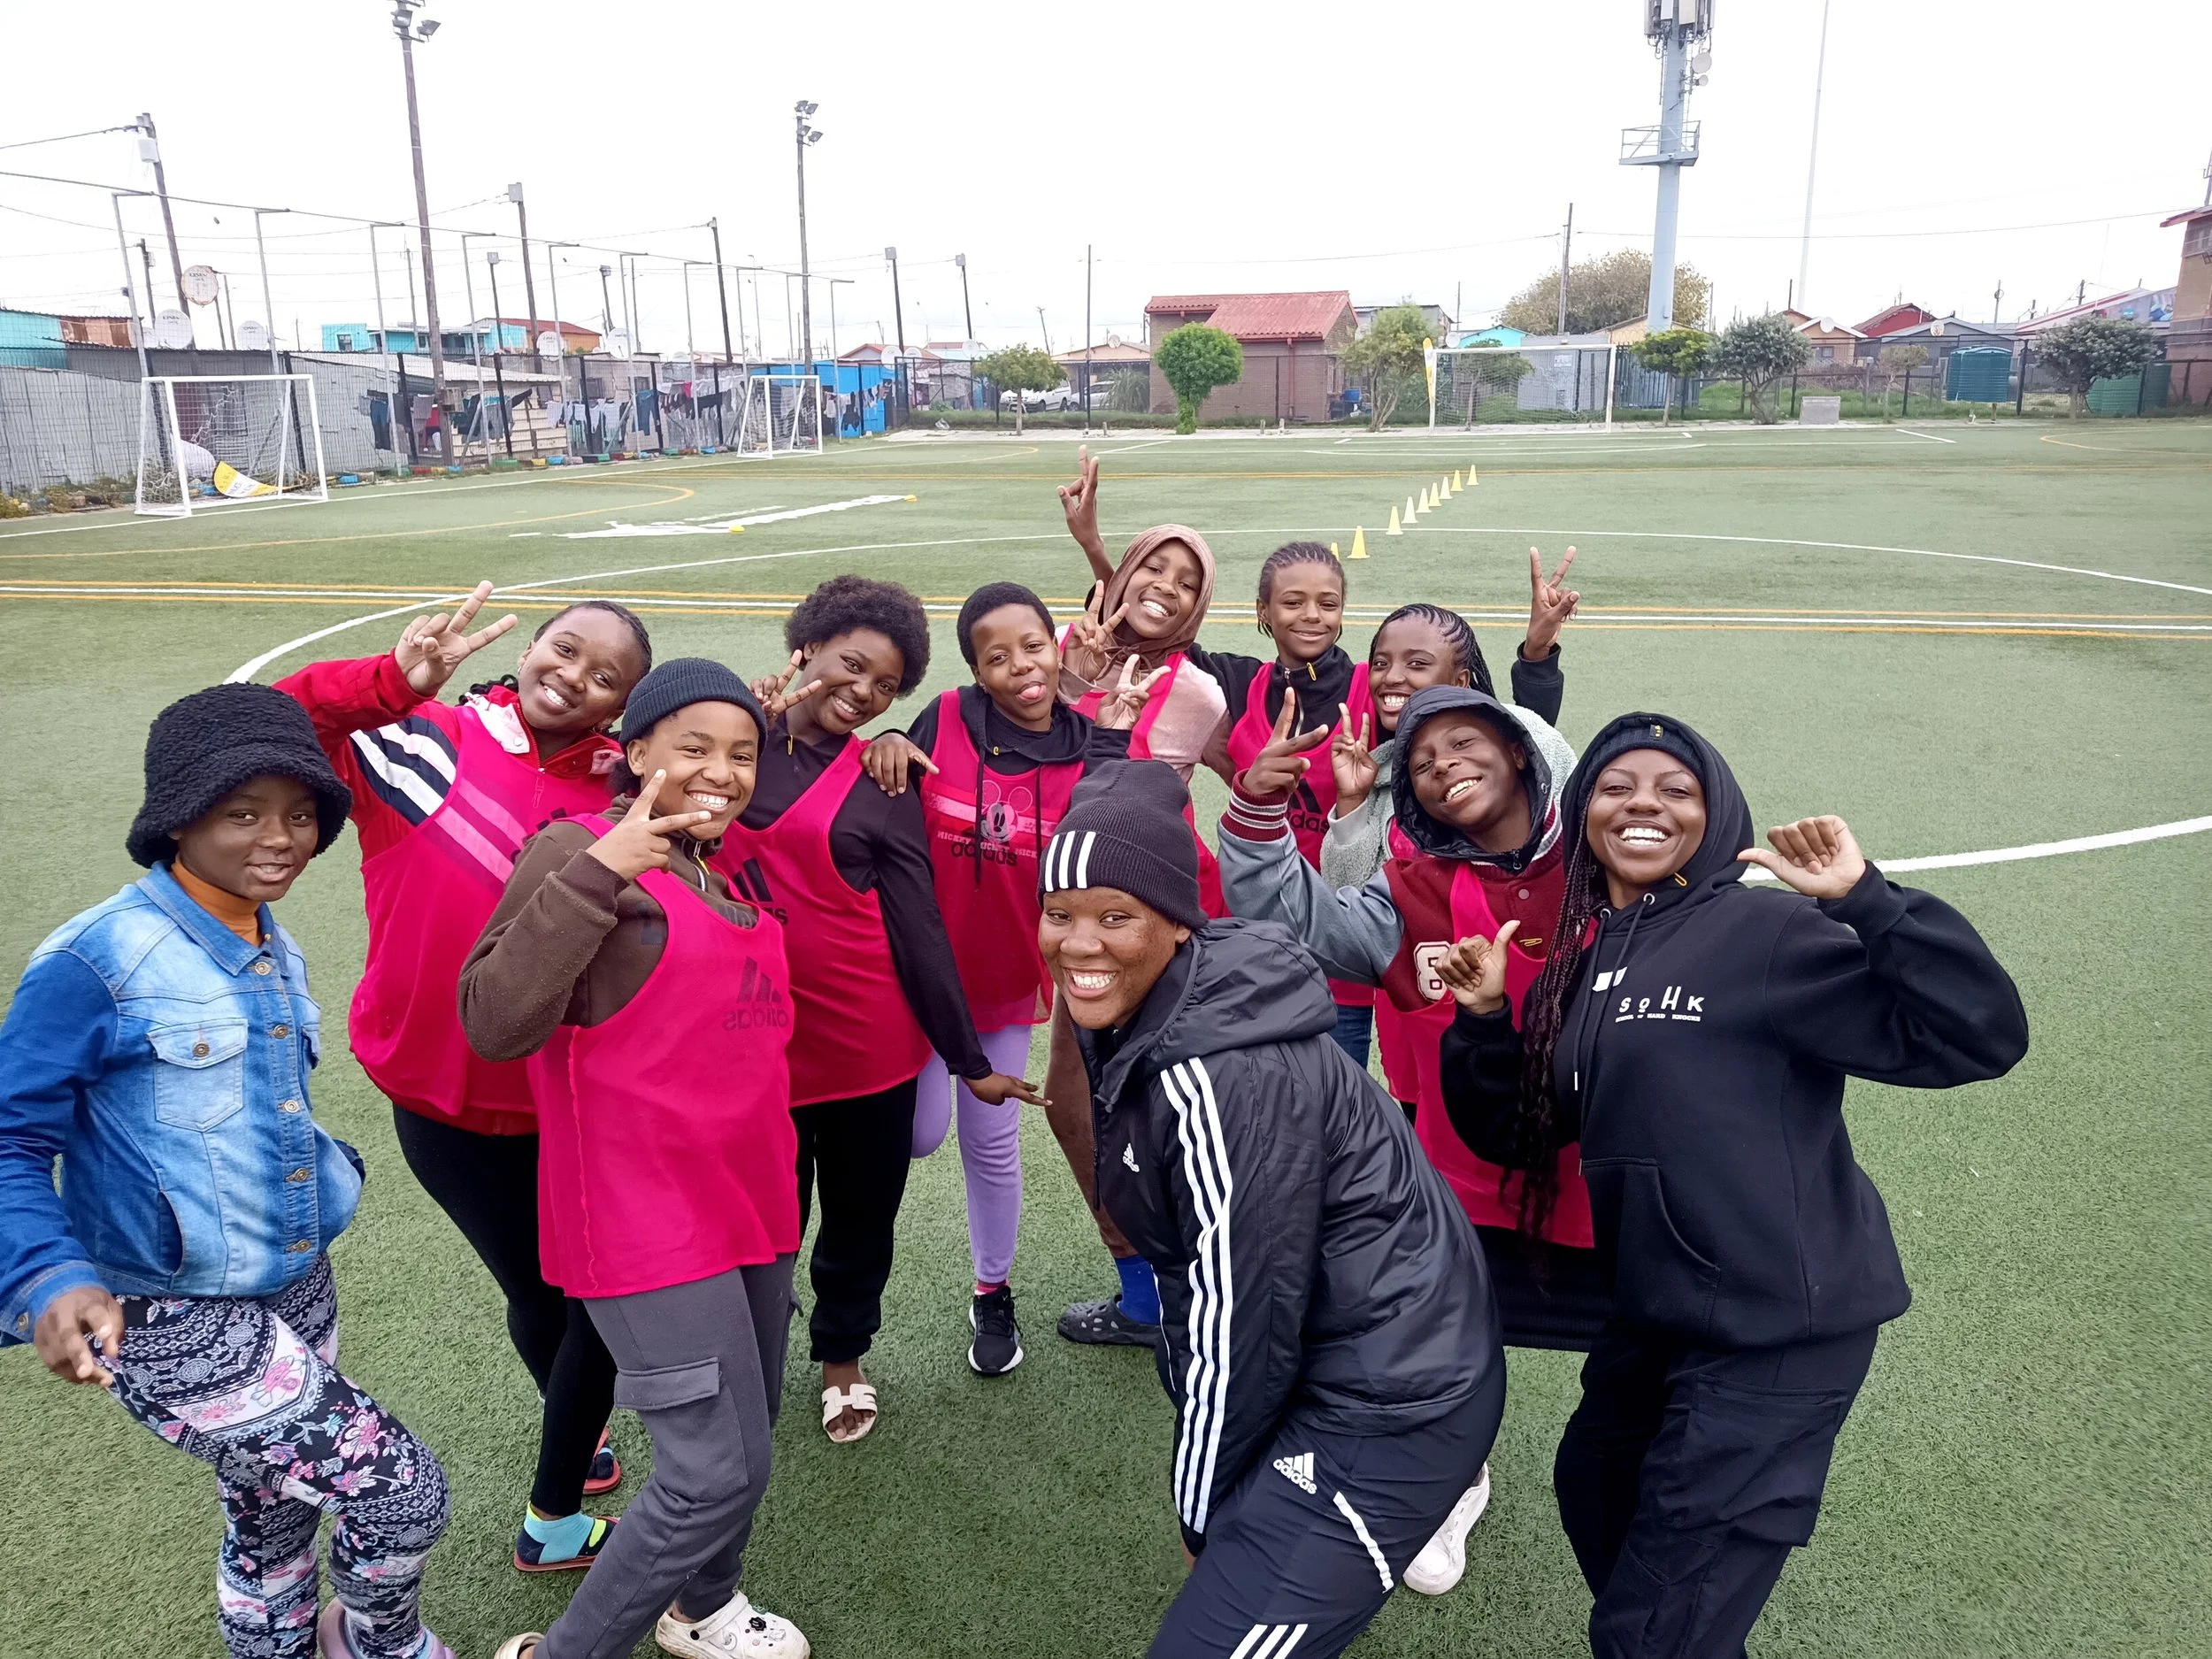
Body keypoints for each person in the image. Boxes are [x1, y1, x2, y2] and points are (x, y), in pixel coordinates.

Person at [1437, 712, 2029, 1659]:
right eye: (1615, 785)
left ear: (1714, 817)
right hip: (1657, 1318)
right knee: (1598, 1487)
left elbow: (1977, 1037)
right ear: (1583, 810)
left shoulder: (1764, 927)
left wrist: (1867, 902)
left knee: (1654, 1628)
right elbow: (1524, 1133)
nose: (1641, 803)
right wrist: (1480, 1021)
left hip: (1777, 1328)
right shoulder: (1597, 957)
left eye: (1675, 789)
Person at [0, 684, 454, 1659]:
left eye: (299, 814)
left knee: (270, 1517)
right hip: (171, 1316)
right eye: (242, 812)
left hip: (293, 1282)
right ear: (177, 816)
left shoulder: (265, 937)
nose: (280, 838)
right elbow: (9, 1138)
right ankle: (382, 1648)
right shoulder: (98, 959)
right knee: (404, 1495)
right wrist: (46, 1275)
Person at [1039, 761, 1505, 1659]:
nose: (1079, 944)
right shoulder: (1154, 1008)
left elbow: (1236, 1314)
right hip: (1334, 1357)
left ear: (1177, 923)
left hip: (1391, 1400)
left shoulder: (1215, 1072)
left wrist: (1203, 1506)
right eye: (1060, 915)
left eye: (1114, 917)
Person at [280, 588, 652, 1573]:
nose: (572, 676)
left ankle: (564, 1474)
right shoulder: (420, 741)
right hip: (437, 1101)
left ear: (620, 708)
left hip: (570, 1104)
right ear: (532, 647)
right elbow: (275, 723)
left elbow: (726, 800)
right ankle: (563, 1501)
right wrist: (387, 682)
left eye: (603, 676)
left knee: (591, 1305)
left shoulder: (622, 794)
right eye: (564, 650)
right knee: (541, 1293)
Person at [1217, 681, 1602, 1596]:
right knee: (1445, 1345)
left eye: (1466, 743)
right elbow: (1296, 920)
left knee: (1641, 1363)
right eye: (1422, 763)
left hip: (1612, 1179)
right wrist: (1255, 810)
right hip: (1466, 1171)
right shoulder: (1417, 887)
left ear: (1520, 751)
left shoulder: (1604, 865)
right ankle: (1454, 1475)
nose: (1439, 768)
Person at [464, 659, 808, 1659]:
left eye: (741, 754)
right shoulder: (579, 850)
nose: (722, 771)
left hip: (750, 1205)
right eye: (693, 747)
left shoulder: (720, 866)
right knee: (708, 1469)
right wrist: (602, 869)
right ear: (635, 752)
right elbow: (493, 1021)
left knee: (747, 1448)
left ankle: (706, 1606)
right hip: (643, 1221)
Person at [1061, 444, 1579, 1070]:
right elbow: (1154, 622)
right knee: (1266, 1093)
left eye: (1327, 604)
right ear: (1262, 612)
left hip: (1353, 940)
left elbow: (1495, 742)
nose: (1311, 615)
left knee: (1356, 1094)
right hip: (1259, 935)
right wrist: (1094, 548)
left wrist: (1537, 656)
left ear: (1342, 613)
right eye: (1291, 602)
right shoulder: (1238, 683)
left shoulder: (1374, 688)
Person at [717, 575, 1043, 1443]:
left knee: (858, 1222)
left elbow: (920, 933)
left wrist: (969, 1062)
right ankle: (751, 1347)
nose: (860, 694)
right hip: (748, 1045)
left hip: (867, 1053)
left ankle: (842, 1363)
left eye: (883, 688)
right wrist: (738, 713)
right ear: (804, 650)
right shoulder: (726, 740)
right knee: (760, 1219)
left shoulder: (882, 785)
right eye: (850, 667)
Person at [856, 582, 1153, 1376]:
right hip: (911, 978)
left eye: (1032, 645)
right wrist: (881, 737)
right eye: (997, 656)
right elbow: (884, 791)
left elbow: (1117, 842)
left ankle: (992, 1290)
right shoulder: (945, 718)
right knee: (916, 1137)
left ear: (1057, 646)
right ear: (976, 672)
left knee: (992, 1148)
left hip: (1002, 988)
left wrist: (1118, 743)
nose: (1020, 666)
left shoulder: (1093, 740)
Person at [1041, 509, 1228, 1351]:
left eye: (1189, 585)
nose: (1168, 590)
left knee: (1171, 1111)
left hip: (1162, 932)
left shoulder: (1197, 692)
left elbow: (1249, 766)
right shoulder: (1058, 652)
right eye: (1158, 568)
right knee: (1074, 1105)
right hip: (1072, 924)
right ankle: (1144, 1293)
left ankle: (1202, 1283)